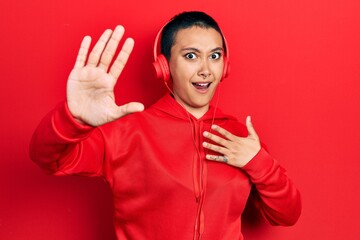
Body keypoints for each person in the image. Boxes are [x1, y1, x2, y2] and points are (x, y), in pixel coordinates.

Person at [30, 11, 301, 240]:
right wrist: (73, 118)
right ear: (164, 66)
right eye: (191, 56)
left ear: (225, 66)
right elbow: (49, 159)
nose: (206, 69)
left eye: (215, 56)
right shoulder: (129, 131)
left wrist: (258, 162)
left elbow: (287, 214)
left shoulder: (241, 136)